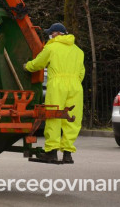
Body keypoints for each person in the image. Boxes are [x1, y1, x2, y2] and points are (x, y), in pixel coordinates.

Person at [25, 23, 84, 164]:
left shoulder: (51, 48)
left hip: (57, 85)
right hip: (75, 86)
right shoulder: (78, 51)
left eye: (50, 33)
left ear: (56, 33)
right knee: (72, 119)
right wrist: (73, 81)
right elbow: (82, 72)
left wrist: (27, 66)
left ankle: (51, 153)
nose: (49, 36)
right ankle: (67, 154)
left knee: (53, 116)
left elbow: (39, 63)